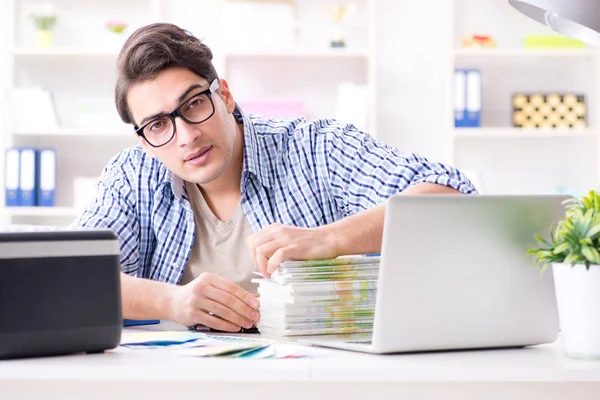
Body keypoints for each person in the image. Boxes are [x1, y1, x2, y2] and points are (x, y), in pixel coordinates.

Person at [73, 23, 477, 332]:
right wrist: (173, 302)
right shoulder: (133, 175)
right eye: (159, 125)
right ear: (144, 140)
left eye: (194, 104)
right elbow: (72, 273)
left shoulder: (315, 147)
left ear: (225, 95)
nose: (187, 135)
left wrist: (327, 239)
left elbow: (453, 200)